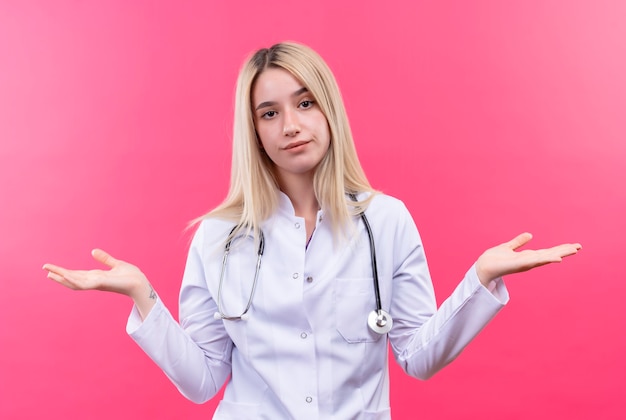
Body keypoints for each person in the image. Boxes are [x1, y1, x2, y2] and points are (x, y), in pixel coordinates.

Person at [43, 42, 581, 419]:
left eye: (304, 103)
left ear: (329, 110)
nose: (291, 126)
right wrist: (142, 296)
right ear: (252, 131)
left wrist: (480, 279)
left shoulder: (385, 221)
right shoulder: (217, 236)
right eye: (269, 113)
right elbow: (203, 381)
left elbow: (418, 357)